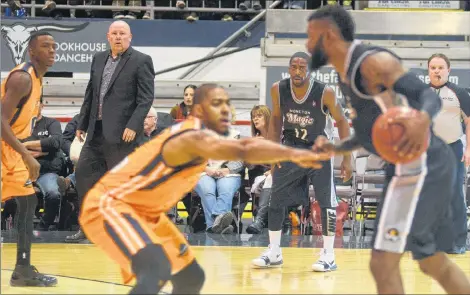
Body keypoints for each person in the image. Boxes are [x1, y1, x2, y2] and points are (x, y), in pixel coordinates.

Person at [79, 84, 330, 295]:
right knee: (155, 270)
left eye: (226, 103)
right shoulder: (190, 136)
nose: (224, 109)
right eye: (216, 103)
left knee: (191, 277)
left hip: (147, 215)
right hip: (113, 206)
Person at [306, 4, 470, 294]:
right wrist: (336, 146)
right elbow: (370, 133)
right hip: (405, 168)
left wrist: (421, 119)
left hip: (424, 164)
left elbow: (425, 96)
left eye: (311, 36)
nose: (307, 45)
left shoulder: (373, 63)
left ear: (329, 36)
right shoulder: (345, 75)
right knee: (418, 262)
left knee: (402, 261)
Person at [251, 51, 352, 272]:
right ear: (289, 69)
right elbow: (276, 118)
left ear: (310, 70)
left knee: (326, 202)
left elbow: (343, 122)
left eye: (302, 67)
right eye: (294, 67)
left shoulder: (324, 93)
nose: (298, 71)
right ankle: (274, 251)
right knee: (275, 198)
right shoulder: (278, 89)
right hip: (292, 148)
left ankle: (329, 255)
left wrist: (348, 158)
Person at [68, 20, 155, 243]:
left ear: (130, 36)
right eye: (114, 33)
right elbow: (91, 94)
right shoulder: (98, 59)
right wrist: (81, 123)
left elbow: (146, 99)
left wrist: (133, 125)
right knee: (84, 176)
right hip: (95, 131)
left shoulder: (141, 61)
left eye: (122, 33)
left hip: (122, 135)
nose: (118, 37)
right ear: (108, 36)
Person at [1, 31, 57, 287]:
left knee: (28, 202)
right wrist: (25, 153)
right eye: (45, 46)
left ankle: (22, 269)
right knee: (27, 203)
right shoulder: (23, 78)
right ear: (31, 51)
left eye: (54, 46)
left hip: (11, 150)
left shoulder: (37, 79)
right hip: (5, 148)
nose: (52, 50)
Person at [427, 53, 470, 255]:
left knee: (454, 194)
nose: (437, 71)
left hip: (453, 148)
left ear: (448, 70)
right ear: (428, 70)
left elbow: (469, 121)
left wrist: (469, 148)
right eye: (433, 67)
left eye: (440, 67)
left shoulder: (459, 92)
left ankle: (460, 241)